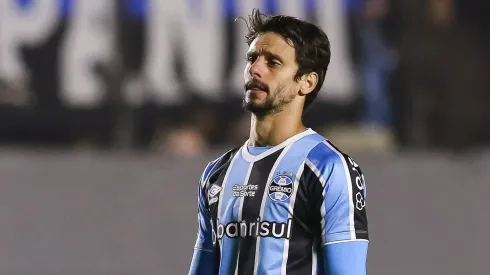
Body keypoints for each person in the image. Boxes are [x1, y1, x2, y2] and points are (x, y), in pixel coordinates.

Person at [188, 9, 369, 275]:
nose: (255, 68)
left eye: (273, 62)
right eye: (252, 58)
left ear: (306, 82)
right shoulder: (216, 174)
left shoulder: (329, 168)